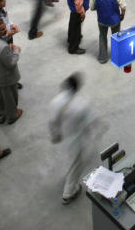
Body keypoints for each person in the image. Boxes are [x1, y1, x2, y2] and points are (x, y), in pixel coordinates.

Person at [49, 73, 95, 205]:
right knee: (75, 164)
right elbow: (86, 124)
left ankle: (69, 186)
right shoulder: (81, 104)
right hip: (75, 139)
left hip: (63, 135)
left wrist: (54, 135)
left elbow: (52, 121)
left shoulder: (56, 101)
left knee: (71, 160)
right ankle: (69, 192)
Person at [92, 0, 126, 64]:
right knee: (116, 37)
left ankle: (103, 58)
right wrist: (122, 15)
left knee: (102, 37)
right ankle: (117, 57)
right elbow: (123, 7)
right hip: (115, 20)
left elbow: (92, 7)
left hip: (102, 20)